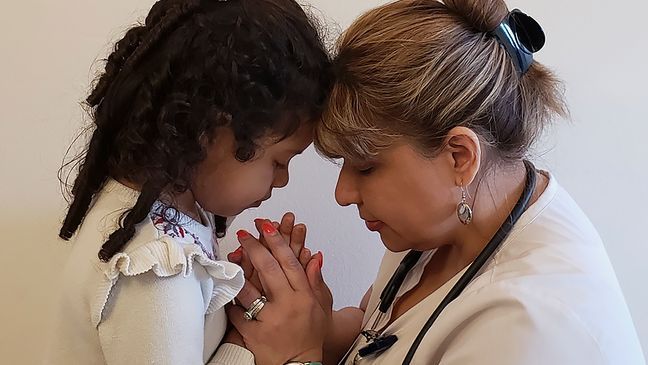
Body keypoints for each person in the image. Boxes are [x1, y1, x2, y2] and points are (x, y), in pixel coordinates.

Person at [224, 0, 646, 364]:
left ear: (459, 156)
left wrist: (298, 356)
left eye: (366, 167)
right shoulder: (460, 216)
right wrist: (314, 323)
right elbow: (385, 333)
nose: (342, 194)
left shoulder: (535, 327)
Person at [45, 0, 330, 363]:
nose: (283, 180)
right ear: (210, 132)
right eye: (279, 161)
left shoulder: (171, 214)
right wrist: (252, 348)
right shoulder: (156, 273)